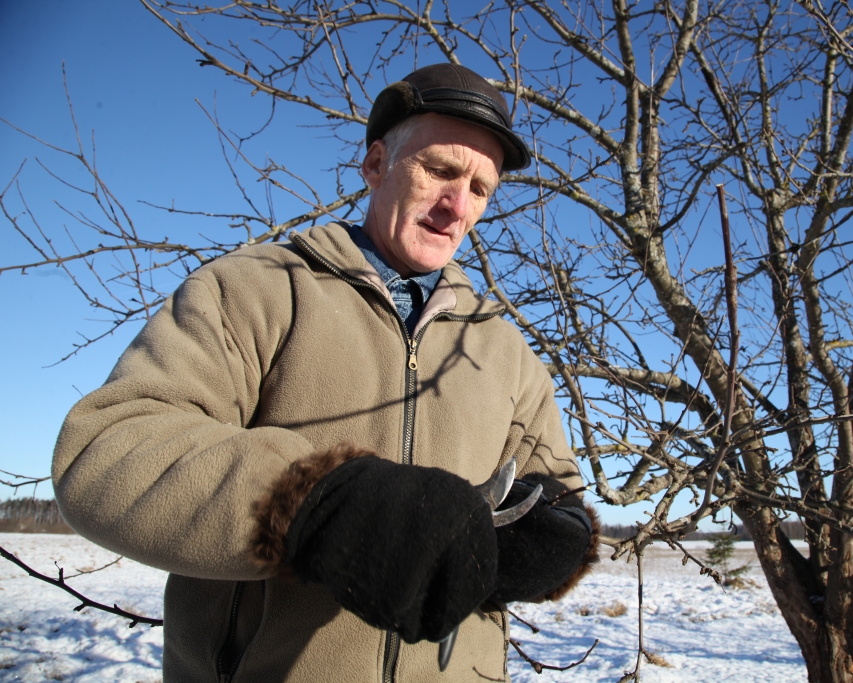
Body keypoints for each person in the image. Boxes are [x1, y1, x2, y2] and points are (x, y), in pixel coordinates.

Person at [52, 63, 600, 683]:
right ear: (374, 165)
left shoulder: (504, 348)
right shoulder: (253, 290)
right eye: (441, 170)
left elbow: (554, 485)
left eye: (480, 189)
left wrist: (553, 536)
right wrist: (320, 505)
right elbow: (107, 453)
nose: (456, 208)